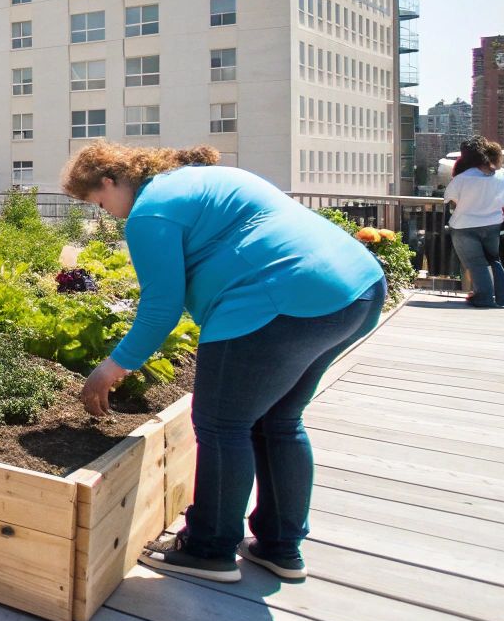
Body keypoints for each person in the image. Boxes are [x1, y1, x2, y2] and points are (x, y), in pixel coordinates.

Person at [62, 142, 384, 584]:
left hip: (275, 302)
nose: (107, 214)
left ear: (110, 180)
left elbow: (161, 307)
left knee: (220, 425)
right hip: (355, 291)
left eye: (100, 202)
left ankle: (208, 547)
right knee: (278, 421)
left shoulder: (150, 212)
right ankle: (279, 546)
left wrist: (111, 367)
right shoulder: (203, 179)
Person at [445, 136, 504, 309]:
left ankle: (483, 297)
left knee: (476, 262)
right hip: (493, 223)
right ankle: (503, 297)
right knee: (493, 259)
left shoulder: (462, 178)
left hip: (464, 225)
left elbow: (450, 198)